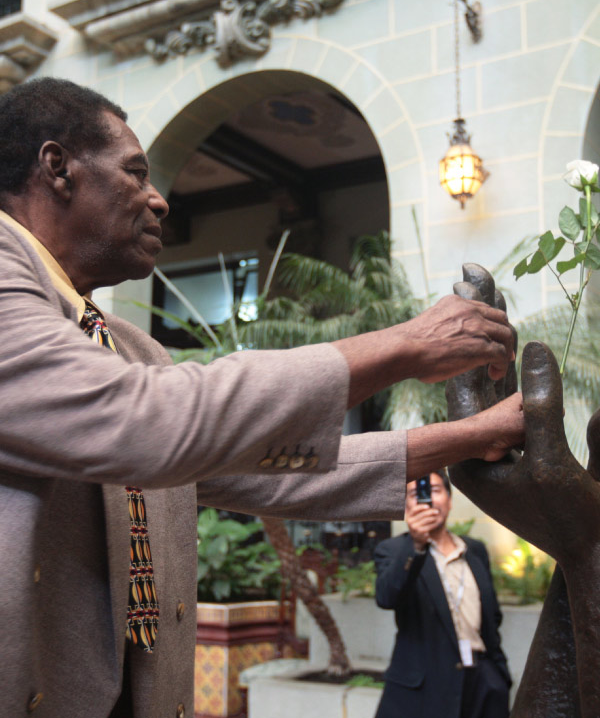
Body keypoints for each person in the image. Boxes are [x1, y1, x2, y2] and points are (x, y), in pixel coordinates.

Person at [0, 77, 524, 718]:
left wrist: (477, 434)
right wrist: (405, 346)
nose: (160, 200)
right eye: (135, 173)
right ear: (58, 168)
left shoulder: (129, 347)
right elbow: (142, 421)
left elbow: (266, 476)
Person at [374, 469, 511, 718]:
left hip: (482, 681)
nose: (426, 500)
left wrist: (498, 674)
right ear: (405, 505)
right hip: (425, 687)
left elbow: (492, 616)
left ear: (449, 499)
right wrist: (416, 546)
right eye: (415, 494)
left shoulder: (474, 549)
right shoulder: (394, 550)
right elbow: (387, 598)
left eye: (434, 491)